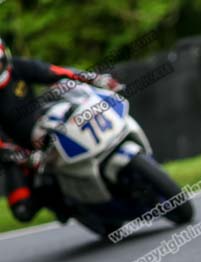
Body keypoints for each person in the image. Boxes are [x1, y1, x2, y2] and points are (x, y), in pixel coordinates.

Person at [0, 37, 123, 223]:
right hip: (17, 152)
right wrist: (18, 155)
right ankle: (66, 206)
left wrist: (96, 79)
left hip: (42, 125)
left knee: (69, 112)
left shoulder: (18, 67)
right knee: (22, 211)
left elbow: (57, 72)